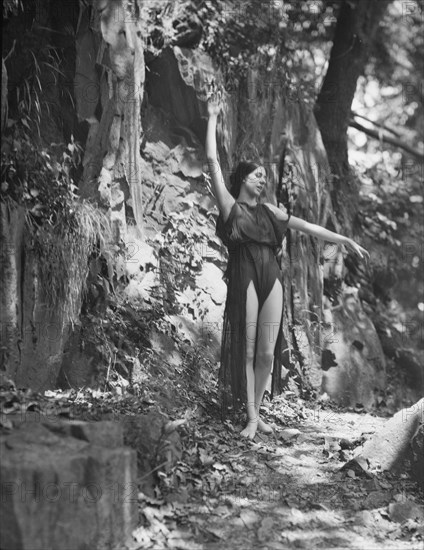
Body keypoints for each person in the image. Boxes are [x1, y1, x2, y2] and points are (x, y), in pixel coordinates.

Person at [205, 91, 369, 440]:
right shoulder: (231, 207)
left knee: (267, 351)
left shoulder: (271, 212)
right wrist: (213, 116)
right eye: (257, 175)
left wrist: (343, 240)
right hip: (245, 274)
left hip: (272, 278)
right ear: (243, 179)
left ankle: (258, 411)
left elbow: (308, 226)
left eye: (265, 176)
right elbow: (212, 161)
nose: (263, 180)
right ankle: (251, 416)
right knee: (249, 347)